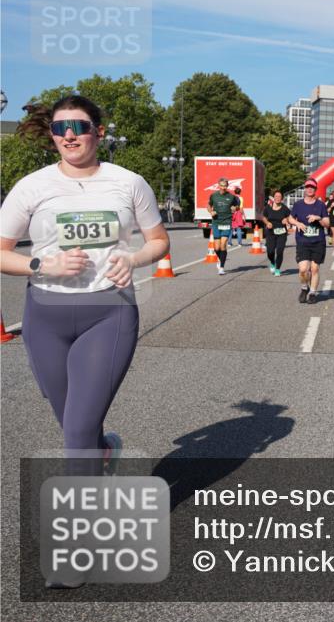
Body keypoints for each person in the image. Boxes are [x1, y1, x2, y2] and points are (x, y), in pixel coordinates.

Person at [0, 95, 169, 486]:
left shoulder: (128, 183)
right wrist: (42, 264)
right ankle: (104, 451)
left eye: (79, 127)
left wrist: (133, 259)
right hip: (45, 316)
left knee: (76, 433)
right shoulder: (32, 187)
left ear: (99, 132)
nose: (70, 136)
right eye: (61, 128)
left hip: (109, 312)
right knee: (74, 423)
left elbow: (159, 241)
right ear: (52, 134)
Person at [288, 179, 330, 304]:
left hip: (318, 241)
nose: (310, 189)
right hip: (302, 241)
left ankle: (312, 292)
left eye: (312, 187)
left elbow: (327, 223)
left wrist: (319, 218)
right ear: (305, 189)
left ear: (315, 189)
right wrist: (297, 223)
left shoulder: (321, 205)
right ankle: (304, 287)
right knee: (303, 269)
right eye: (308, 187)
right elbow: (290, 218)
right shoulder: (298, 205)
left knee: (315, 268)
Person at [208, 177, 238, 274]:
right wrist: (211, 211)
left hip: (226, 222)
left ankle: (221, 267)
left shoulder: (231, 196)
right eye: (221, 186)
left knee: (223, 244)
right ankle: (220, 258)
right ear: (218, 186)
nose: (223, 187)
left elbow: (237, 206)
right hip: (216, 222)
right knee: (216, 248)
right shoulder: (214, 196)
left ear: (227, 186)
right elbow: (208, 205)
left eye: (225, 186)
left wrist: (235, 208)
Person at [262, 189, 291, 276]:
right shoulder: (268, 207)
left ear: (282, 198)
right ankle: (272, 262)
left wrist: (286, 219)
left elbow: (290, 217)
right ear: (273, 198)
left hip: (282, 232)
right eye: (276, 196)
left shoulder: (285, 208)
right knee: (270, 251)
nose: (278, 198)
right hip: (271, 232)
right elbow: (264, 217)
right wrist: (267, 223)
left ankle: (277, 269)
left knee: (280, 251)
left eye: (279, 197)